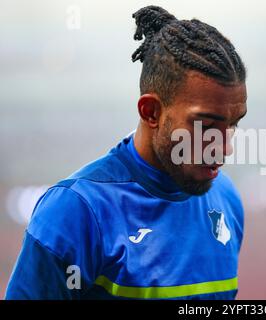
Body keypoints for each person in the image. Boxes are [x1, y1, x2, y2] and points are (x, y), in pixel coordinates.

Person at [6, 5, 247, 300]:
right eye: (206, 127)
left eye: (232, 125)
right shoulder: (75, 211)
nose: (224, 149)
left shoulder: (226, 198)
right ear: (151, 112)